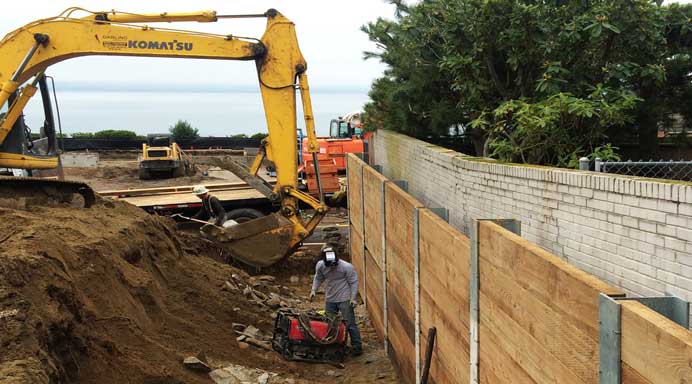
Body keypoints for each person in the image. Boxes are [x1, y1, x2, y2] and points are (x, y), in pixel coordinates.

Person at [309, 245, 363, 356]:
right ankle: (333, 343)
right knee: (330, 323)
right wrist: (314, 290)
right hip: (330, 299)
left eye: (334, 265)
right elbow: (318, 277)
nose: (332, 267)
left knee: (350, 323)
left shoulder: (346, 267)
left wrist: (353, 298)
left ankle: (357, 347)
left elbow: (353, 282)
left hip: (344, 299)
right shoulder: (321, 265)